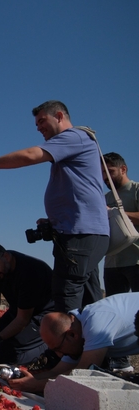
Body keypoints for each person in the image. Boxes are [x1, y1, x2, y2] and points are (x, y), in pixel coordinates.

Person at [0, 100, 109, 313]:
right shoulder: (75, 144)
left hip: (79, 235)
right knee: (89, 298)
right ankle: (92, 343)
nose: (38, 127)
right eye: (36, 124)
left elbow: (30, 155)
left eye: (42, 121)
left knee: (66, 296)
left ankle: (66, 344)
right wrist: (54, 220)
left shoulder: (74, 137)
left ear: (60, 116)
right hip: (78, 232)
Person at [9, 293, 139, 393]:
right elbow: (59, 371)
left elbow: (83, 374)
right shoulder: (74, 329)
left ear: (72, 335)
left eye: (58, 348)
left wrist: (38, 385)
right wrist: (27, 379)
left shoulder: (96, 326)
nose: (59, 355)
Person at [0, 242, 55, 365]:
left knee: (7, 356)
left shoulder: (30, 272)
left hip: (43, 316)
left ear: (6, 257)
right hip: (17, 311)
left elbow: (23, 320)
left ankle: (51, 347)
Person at [101, 152, 139, 371]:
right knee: (115, 314)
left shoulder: (135, 190)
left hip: (136, 260)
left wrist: (117, 213)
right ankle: (121, 362)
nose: (106, 178)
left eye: (110, 172)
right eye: (103, 174)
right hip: (112, 263)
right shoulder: (104, 198)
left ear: (123, 169)